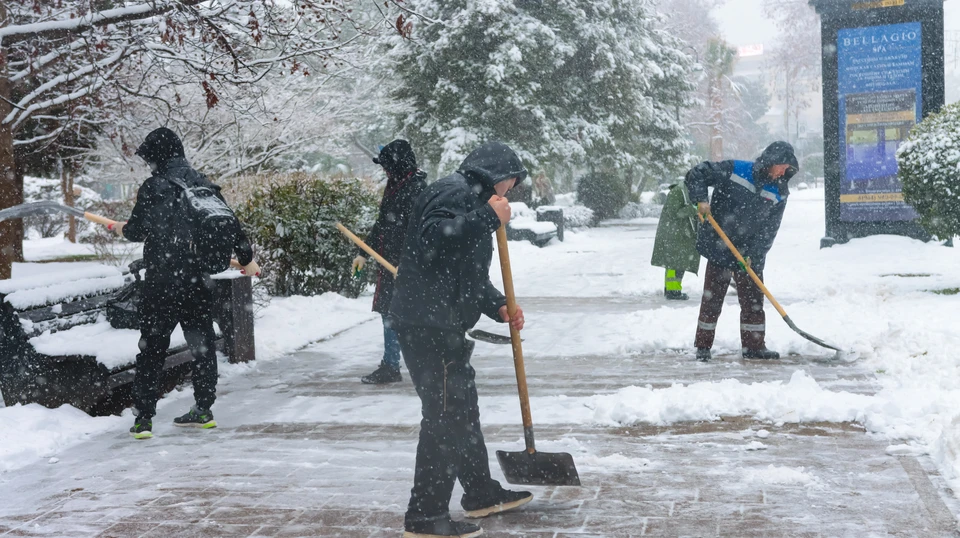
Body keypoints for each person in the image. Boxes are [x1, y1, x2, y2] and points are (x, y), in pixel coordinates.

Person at [388, 141, 533, 538]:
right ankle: (424, 516)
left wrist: (498, 305)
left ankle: (481, 493)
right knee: (445, 417)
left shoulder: (467, 195)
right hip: (427, 327)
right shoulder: (454, 192)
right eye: (511, 185)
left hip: (440, 323)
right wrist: (488, 215)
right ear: (498, 175)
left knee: (461, 411)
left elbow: (463, 272)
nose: (509, 194)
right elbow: (436, 238)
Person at [111, 127, 259, 439]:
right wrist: (245, 257)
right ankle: (203, 410)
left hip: (162, 282)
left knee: (152, 349)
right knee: (202, 347)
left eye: (150, 159)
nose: (149, 165)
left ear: (158, 157)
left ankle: (143, 420)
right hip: (198, 281)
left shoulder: (154, 186)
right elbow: (231, 225)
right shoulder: (202, 182)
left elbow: (136, 231)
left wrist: (124, 228)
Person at [686, 141, 798, 362]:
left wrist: (755, 255)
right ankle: (703, 346)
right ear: (770, 162)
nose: (783, 172)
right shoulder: (736, 170)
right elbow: (696, 174)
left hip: (749, 252)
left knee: (754, 301)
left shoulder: (779, 191)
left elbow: (769, 230)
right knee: (712, 299)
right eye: (781, 167)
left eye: (787, 169)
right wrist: (700, 200)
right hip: (721, 243)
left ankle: (754, 347)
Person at [352, 140, 427, 385]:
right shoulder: (396, 185)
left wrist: (410, 264)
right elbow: (384, 223)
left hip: (406, 266)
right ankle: (391, 365)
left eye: (387, 166)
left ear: (398, 164)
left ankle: (424, 365)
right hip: (389, 263)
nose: (384, 170)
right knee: (389, 314)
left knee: (408, 316)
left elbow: (419, 231)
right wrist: (363, 251)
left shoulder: (416, 190)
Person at [650, 180, 700, 300]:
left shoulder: (686, 191)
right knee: (674, 263)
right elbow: (675, 213)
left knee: (678, 262)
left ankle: (672, 289)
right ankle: (673, 291)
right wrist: (694, 209)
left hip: (680, 235)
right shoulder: (678, 192)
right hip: (674, 234)